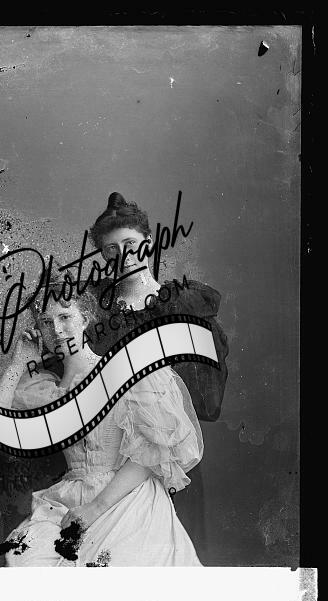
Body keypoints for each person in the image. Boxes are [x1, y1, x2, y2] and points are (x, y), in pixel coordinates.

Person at [0, 280, 204, 566]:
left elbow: (153, 452)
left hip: (126, 498)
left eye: (64, 317)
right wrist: (18, 363)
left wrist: (94, 509)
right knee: (24, 562)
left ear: (85, 318)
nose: (57, 330)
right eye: (46, 322)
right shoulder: (46, 391)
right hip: (67, 501)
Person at [86, 192, 229, 557]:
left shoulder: (183, 305)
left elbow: (205, 401)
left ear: (148, 243)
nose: (123, 255)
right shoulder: (96, 311)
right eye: (111, 250)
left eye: (130, 243)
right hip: (106, 456)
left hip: (166, 452)